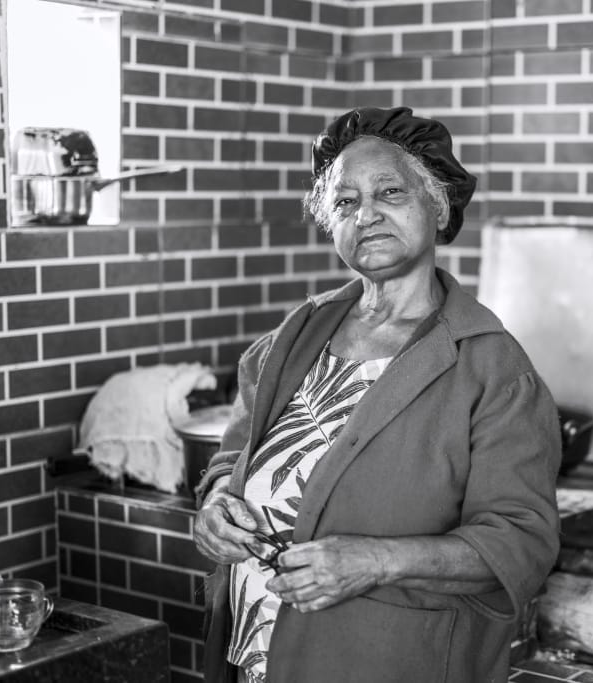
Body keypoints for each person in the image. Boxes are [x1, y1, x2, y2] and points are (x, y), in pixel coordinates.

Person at [193, 106, 562, 683]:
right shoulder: (291, 342)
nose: (366, 214)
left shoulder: (490, 365)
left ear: (437, 206)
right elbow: (230, 459)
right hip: (256, 660)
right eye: (345, 201)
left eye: (390, 191)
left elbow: (521, 541)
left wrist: (374, 561)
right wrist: (216, 503)